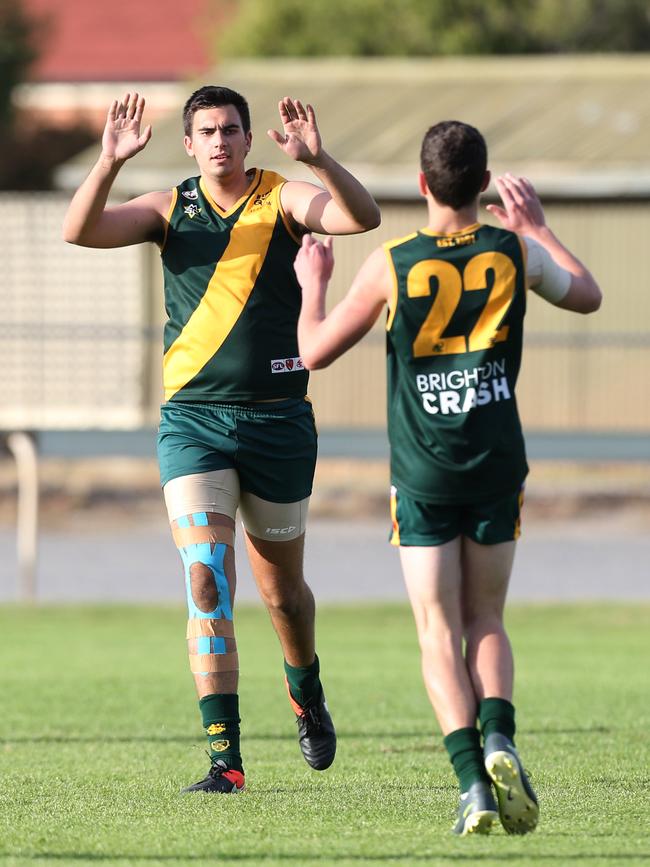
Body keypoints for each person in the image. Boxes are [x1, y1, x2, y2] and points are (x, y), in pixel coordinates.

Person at [63, 87, 380, 793]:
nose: (220, 142)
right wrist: (109, 162)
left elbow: (363, 217)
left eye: (231, 130)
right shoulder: (167, 208)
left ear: (247, 138)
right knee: (205, 576)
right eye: (207, 131)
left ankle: (306, 689)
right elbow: (79, 230)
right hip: (194, 422)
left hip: (278, 423)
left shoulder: (283, 197)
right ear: (189, 142)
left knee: (283, 594)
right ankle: (225, 760)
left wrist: (320, 157)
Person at [294, 120, 601, 835]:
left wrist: (313, 283)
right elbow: (586, 295)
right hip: (496, 460)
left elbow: (312, 351)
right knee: (486, 618)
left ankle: (471, 783)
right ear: (483, 183)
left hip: (424, 467)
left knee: (436, 628)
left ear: (424, 184)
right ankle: (500, 737)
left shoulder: (392, 261)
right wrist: (541, 229)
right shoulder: (512, 249)